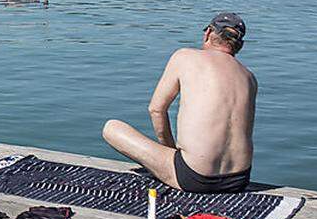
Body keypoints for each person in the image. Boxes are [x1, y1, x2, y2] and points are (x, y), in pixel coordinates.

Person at [102, 13, 256, 193]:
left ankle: (173, 164)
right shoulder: (249, 77)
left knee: (111, 128)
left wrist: (169, 152)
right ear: (240, 46)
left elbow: (156, 110)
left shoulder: (185, 57)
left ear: (207, 33)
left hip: (195, 178)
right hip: (238, 180)